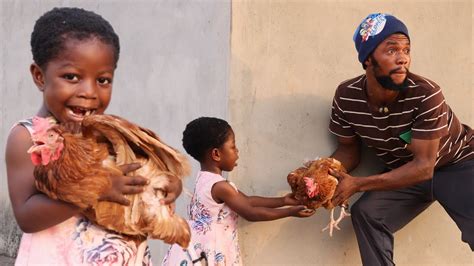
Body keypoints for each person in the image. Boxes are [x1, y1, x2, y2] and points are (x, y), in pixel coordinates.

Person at [5, 7, 182, 265]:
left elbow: (136, 181)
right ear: (39, 76)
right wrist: (96, 191)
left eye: (103, 80)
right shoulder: (28, 137)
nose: (89, 92)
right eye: (72, 77)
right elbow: (26, 217)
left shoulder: (110, 134)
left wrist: (162, 186)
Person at [327, 13, 474, 265]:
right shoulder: (346, 96)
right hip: (406, 172)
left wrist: (358, 184)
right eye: (391, 49)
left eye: (406, 49)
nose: (403, 57)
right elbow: (348, 151)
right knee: (368, 214)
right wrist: (322, 178)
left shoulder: (426, 93)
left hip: (458, 164)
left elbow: (424, 166)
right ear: (367, 58)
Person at [162, 117, 314, 265]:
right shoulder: (220, 187)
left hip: (201, 246)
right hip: (214, 248)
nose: (237, 151)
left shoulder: (204, 179)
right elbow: (250, 212)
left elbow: (248, 200)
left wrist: (283, 201)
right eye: (233, 147)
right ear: (216, 154)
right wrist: (289, 212)